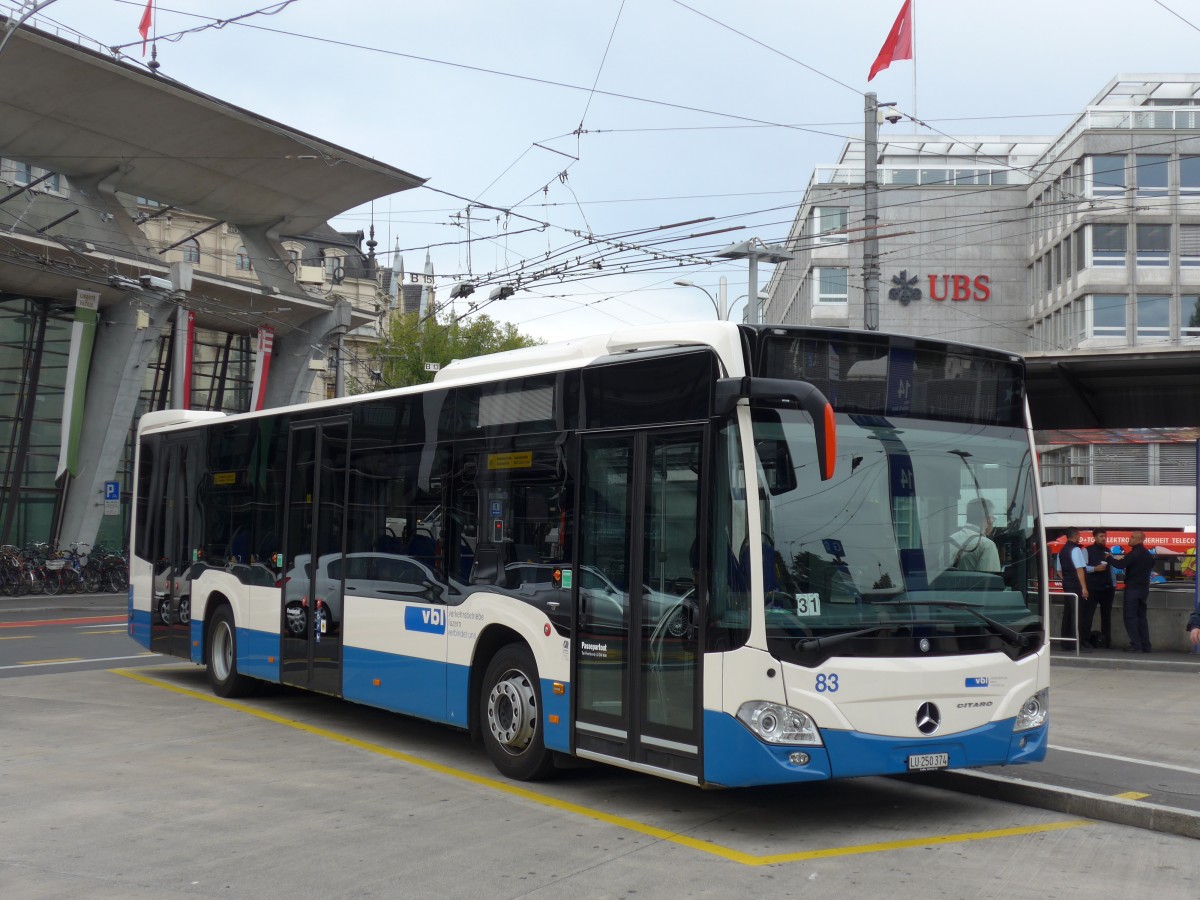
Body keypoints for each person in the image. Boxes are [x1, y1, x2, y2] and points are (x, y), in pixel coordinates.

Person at [1119, 530, 1155, 653]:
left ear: (1139, 540)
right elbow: (1151, 564)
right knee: (1141, 617)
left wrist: (1108, 558)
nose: (1129, 539)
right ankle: (1146, 645)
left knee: (1130, 617)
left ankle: (1136, 645)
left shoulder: (1134, 553)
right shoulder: (1147, 554)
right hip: (1144, 588)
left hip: (1133, 588)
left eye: (1132, 537)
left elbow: (1120, 564)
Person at [1056, 527, 1090, 650]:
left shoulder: (1062, 551)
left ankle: (1066, 642)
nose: (1079, 537)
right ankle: (1076, 642)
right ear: (1075, 536)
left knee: (1068, 613)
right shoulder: (1076, 550)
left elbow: (1059, 570)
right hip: (1076, 584)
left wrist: (1066, 579)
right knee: (1078, 613)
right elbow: (1079, 569)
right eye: (1079, 535)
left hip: (1067, 583)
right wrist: (1084, 587)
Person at [1084, 528, 1115, 649]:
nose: (1104, 538)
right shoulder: (1087, 550)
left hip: (1107, 588)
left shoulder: (1108, 550)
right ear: (1095, 537)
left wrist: (1113, 584)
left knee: (1106, 615)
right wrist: (1094, 569)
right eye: (1101, 536)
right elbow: (1082, 567)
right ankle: (1085, 639)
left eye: (1105, 536)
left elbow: (1111, 569)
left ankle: (1106, 641)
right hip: (1092, 587)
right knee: (1088, 614)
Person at [950, 498, 1001, 573]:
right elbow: (990, 579)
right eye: (993, 519)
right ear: (988, 519)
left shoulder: (950, 541)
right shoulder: (986, 545)